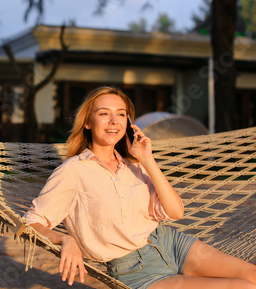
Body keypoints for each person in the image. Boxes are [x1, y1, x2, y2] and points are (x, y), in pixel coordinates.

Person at [23, 86, 256, 289]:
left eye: (121, 115)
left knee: (253, 279)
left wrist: (147, 160)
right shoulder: (72, 171)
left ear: (128, 123)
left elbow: (175, 213)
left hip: (171, 243)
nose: (114, 121)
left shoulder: (133, 166)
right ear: (87, 122)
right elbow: (32, 221)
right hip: (135, 271)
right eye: (104, 114)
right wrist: (65, 240)